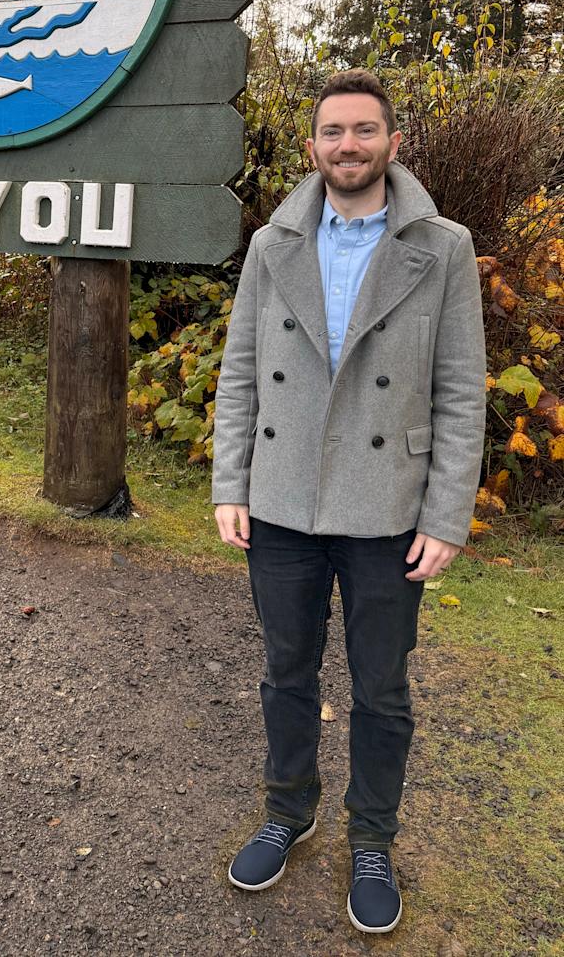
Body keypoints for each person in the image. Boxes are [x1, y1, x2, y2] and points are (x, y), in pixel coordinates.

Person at [211, 69, 486, 936]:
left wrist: (446, 515)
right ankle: (289, 811)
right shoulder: (271, 245)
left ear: (393, 143)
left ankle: (373, 837)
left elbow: (460, 392)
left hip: (387, 507)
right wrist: (231, 482)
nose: (349, 146)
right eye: (333, 132)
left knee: (381, 689)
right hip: (283, 499)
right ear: (312, 147)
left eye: (365, 130)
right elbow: (242, 371)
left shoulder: (441, 246)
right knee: (285, 673)